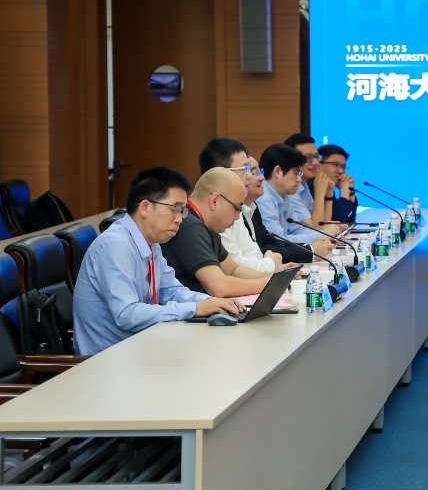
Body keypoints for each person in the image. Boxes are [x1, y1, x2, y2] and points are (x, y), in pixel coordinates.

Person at [72, 168, 244, 355]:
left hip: (140, 349)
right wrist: (195, 308)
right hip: (107, 360)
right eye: (174, 209)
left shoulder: (151, 243)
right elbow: (127, 315)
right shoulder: (116, 246)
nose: (179, 219)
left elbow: (171, 290)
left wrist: (212, 302)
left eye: (183, 211)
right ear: (145, 207)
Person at [161, 168, 276, 297]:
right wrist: (270, 284)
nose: (238, 217)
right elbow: (220, 287)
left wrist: (274, 278)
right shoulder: (190, 226)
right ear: (214, 201)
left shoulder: (208, 225)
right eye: (237, 209)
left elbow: (233, 270)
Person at [199, 137, 283, 274]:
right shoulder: (215, 210)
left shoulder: (234, 204)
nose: (250, 176)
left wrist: (266, 266)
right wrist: (270, 264)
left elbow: (252, 250)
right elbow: (235, 265)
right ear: (222, 172)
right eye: (245, 169)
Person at [257, 144, 336, 250]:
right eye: (296, 173)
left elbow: (296, 230)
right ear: (277, 171)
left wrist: (324, 235)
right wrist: (324, 235)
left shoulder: (284, 195)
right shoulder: (263, 198)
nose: (299, 180)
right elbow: (277, 241)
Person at [283, 133, 340, 235]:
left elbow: (322, 225)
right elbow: (316, 228)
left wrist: (328, 196)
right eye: (308, 157)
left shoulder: (303, 186)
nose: (315, 163)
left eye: (316, 156)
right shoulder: (289, 190)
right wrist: (320, 192)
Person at [318, 143, 358, 224]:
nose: (341, 171)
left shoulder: (329, 188)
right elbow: (335, 222)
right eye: (336, 164)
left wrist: (351, 194)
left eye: (343, 167)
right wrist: (344, 192)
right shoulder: (312, 188)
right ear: (319, 164)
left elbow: (349, 223)